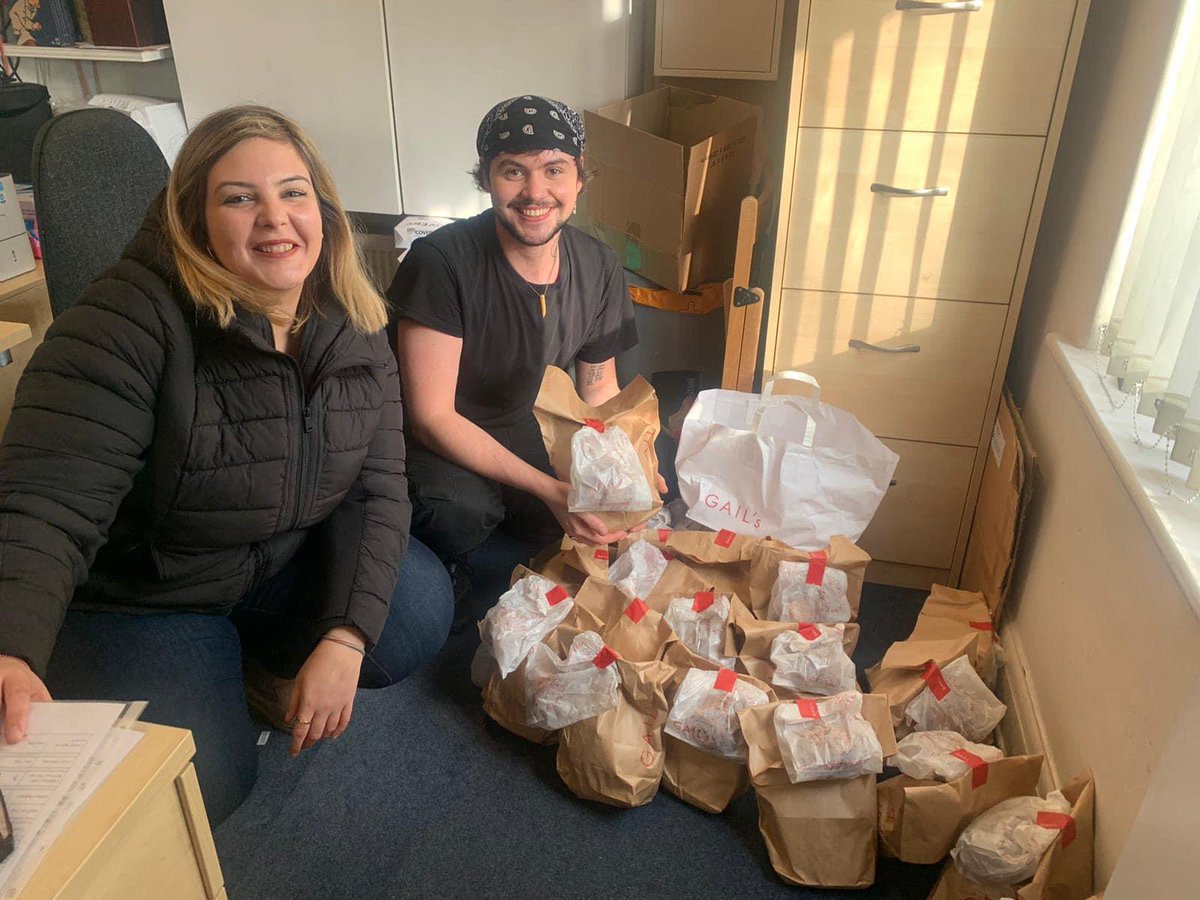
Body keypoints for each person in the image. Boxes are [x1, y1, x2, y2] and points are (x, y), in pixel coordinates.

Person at [0, 105, 453, 826]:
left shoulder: (351, 317)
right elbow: (46, 504)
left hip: (270, 562)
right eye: (239, 198)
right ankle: (212, 674)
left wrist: (343, 638)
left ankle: (244, 666)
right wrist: (11, 647)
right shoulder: (125, 322)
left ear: (324, 210)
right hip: (149, 593)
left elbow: (376, 490)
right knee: (200, 784)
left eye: (293, 192)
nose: (275, 218)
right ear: (193, 218)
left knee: (416, 608)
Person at [388, 94, 650, 582]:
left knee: (577, 519)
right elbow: (431, 417)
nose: (535, 192)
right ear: (487, 177)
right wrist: (552, 490)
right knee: (459, 510)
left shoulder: (598, 266)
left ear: (578, 178)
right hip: (433, 435)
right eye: (513, 171)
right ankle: (435, 577)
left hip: (521, 421)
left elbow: (598, 391)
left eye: (554, 170)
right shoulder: (442, 262)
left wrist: (629, 462)